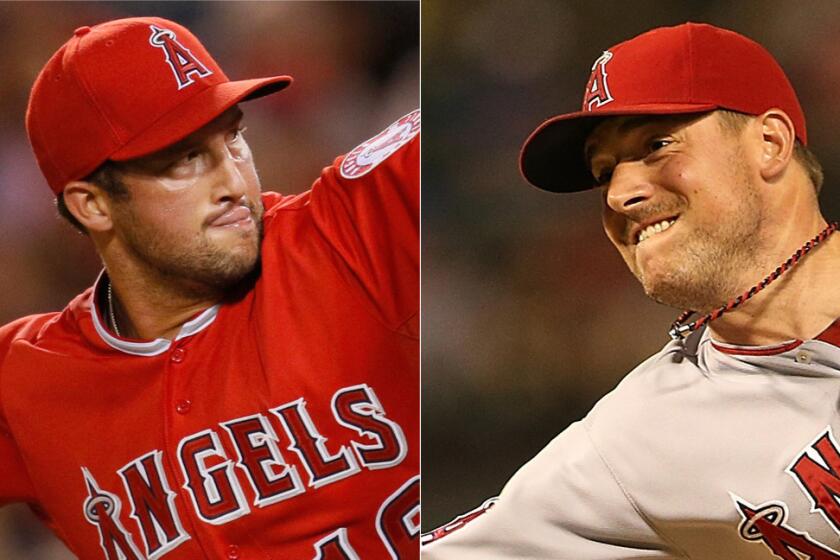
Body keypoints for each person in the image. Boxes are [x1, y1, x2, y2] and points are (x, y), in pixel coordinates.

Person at [0, 16, 418, 560]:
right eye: (186, 158)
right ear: (93, 205)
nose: (233, 181)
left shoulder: (348, 232)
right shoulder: (27, 381)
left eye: (234, 137)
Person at [422, 22, 840, 559]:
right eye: (603, 173)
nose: (619, 194)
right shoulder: (635, 442)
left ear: (770, 142)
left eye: (657, 144)